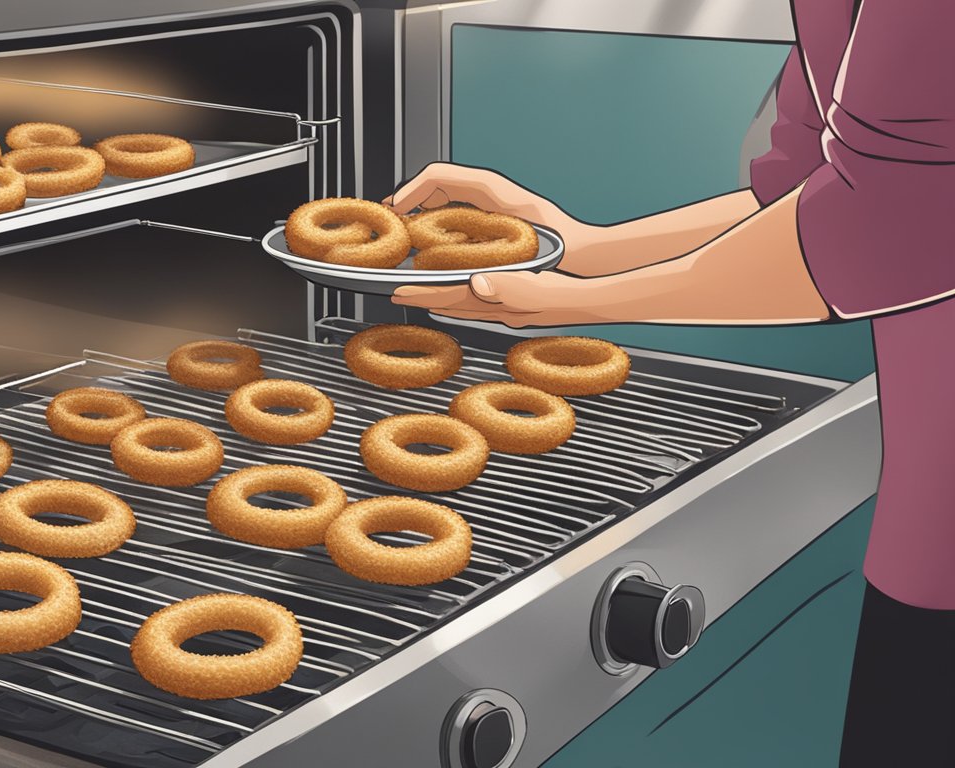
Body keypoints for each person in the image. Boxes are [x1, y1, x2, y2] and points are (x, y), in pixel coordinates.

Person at [386, 2, 955, 765]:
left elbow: (886, 217)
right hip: (930, 503)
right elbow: (803, 190)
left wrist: (573, 304)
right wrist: (584, 248)